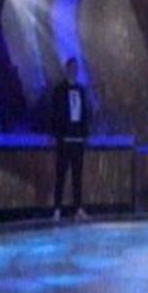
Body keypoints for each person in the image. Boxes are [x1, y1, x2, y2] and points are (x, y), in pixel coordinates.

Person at [50, 57, 91, 221]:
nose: (74, 70)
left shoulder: (81, 90)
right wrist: (56, 133)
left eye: (76, 68)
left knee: (77, 175)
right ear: (67, 69)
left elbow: (84, 113)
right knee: (61, 174)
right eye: (71, 67)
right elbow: (55, 113)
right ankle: (57, 209)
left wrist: (85, 134)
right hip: (64, 138)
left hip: (78, 138)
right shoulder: (59, 90)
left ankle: (78, 208)